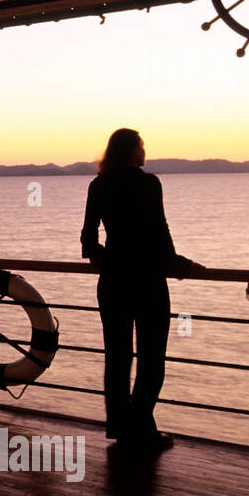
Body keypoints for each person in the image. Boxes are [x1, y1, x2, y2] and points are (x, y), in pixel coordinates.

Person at [81, 128, 202, 453]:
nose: (144, 150)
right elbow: (160, 231)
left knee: (117, 360)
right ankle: (141, 428)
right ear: (132, 151)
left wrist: (110, 259)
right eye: (141, 146)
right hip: (147, 282)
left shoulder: (99, 185)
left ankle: (123, 430)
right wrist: (180, 266)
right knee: (151, 360)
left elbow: (88, 240)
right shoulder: (149, 183)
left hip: (113, 284)